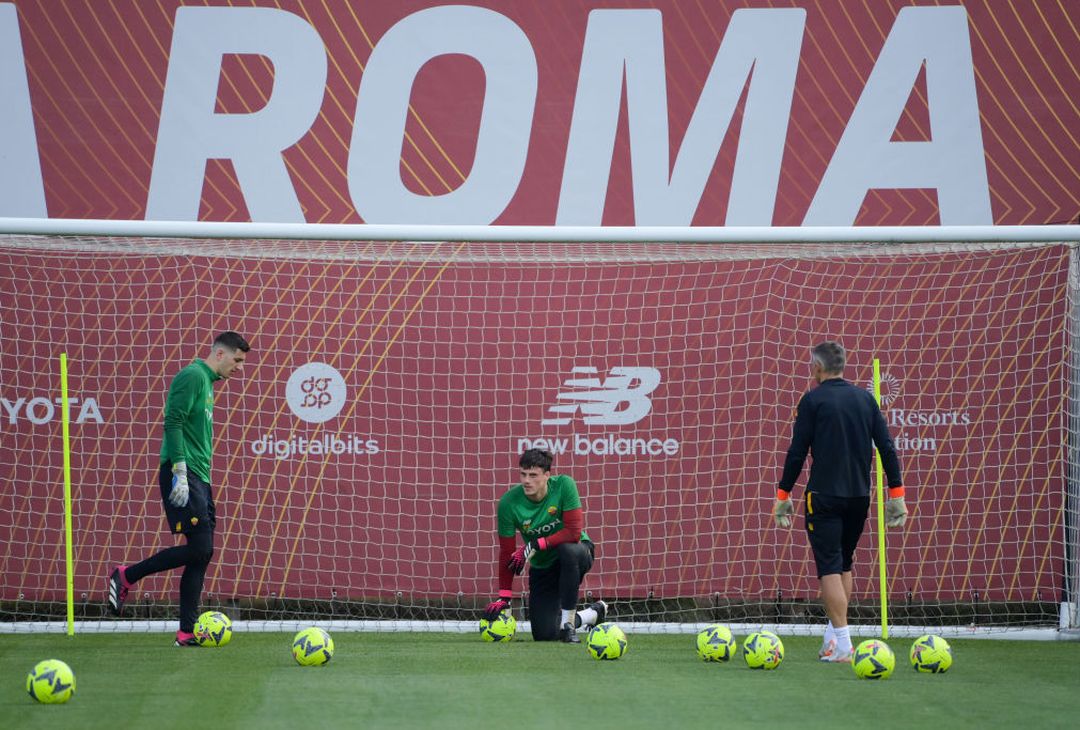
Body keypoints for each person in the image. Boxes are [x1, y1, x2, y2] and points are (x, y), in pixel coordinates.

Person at [107, 331, 250, 646]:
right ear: (220, 354)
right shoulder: (193, 376)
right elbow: (172, 422)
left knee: (202, 554)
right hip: (183, 473)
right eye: (237, 360)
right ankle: (127, 575)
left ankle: (186, 632)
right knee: (200, 548)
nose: (240, 368)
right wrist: (180, 472)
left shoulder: (207, 384)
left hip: (199, 476)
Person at [774, 341, 908, 662]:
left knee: (829, 568)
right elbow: (887, 448)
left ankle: (845, 646)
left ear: (817, 368)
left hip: (824, 496)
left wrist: (783, 495)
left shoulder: (812, 400)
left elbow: (797, 452)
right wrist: (897, 496)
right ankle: (833, 640)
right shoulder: (865, 399)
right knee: (844, 563)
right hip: (859, 496)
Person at [482, 448, 607, 643]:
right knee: (545, 635)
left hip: (578, 551)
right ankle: (593, 613)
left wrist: (536, 544)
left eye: (533, 475)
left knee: (568, 551)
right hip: (543, 566)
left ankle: (568, 625)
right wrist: (504, 597)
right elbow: (507, 552)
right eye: (523, 474)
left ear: (547, 475)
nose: (526, 480)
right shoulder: (508, 503)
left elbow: (573, 532)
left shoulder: (565, 485)